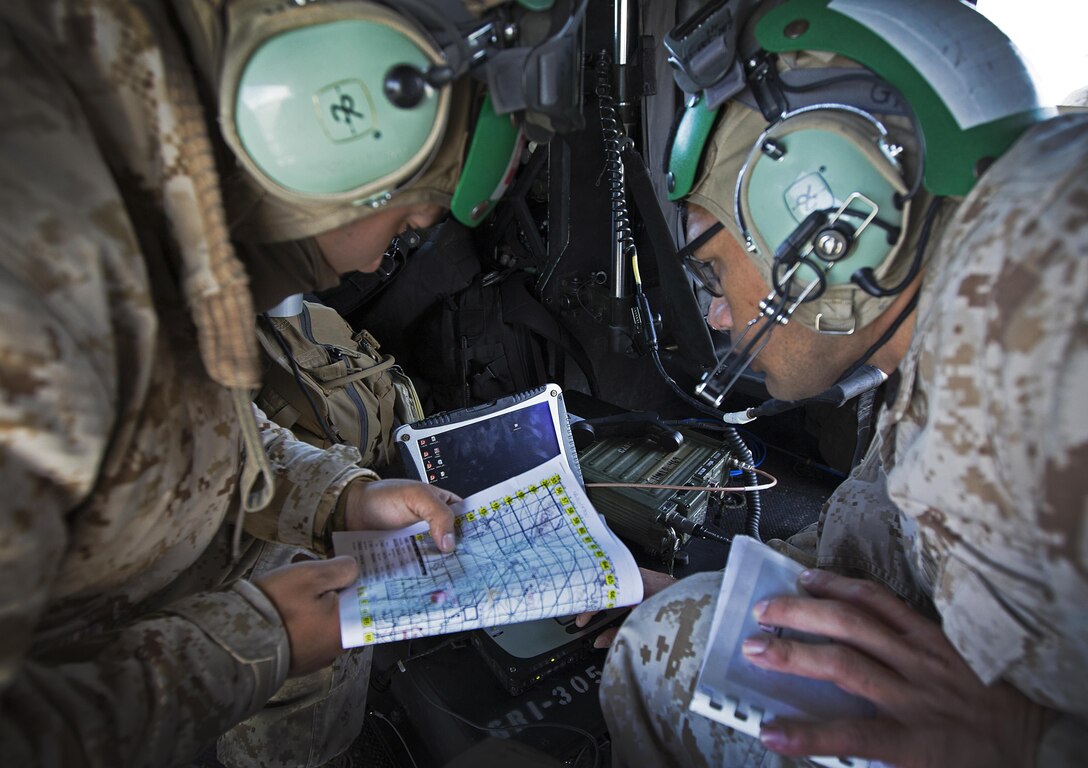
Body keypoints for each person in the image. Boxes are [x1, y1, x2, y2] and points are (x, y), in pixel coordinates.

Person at [0, 1, 584, 766]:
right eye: (405, 226)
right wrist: (249, 644)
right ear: (318, 140)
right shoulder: (38, 296)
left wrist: (339, 495)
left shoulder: (155, 193)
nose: (381, 264)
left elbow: (189, 425)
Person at [594, 1, 1087, 766]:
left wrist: (1032, 742)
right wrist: (731, 600)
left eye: (713, 268)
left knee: (663, 658)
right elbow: (884, 517)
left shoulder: (1033, 329)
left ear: (832, 223)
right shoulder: (962, 304)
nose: (718, 315)